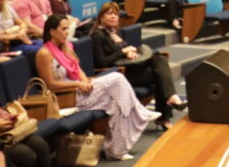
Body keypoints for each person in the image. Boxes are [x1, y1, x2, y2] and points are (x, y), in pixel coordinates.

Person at [36, 13, 155, 159]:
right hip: (65, 98)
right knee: (117, 78)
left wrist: (85, 82)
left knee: (116, 101)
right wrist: (78, 84)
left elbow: (78, 70)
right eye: (63, 29)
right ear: (51, 31)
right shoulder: (44, 53)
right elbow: (50, 84)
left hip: (78, 90)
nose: (67, 32)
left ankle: (116, 151)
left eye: (68, 29)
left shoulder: (66, 47)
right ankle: (140, 112)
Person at [91, 3, 186, 128]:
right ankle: (166, 111)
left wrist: (130, 53)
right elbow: (101, 62)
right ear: (101, 17)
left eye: (115, 14)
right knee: (159, 74)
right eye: (109, 13)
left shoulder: (115, 32)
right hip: (119, 76)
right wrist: (122, 52)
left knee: (159, 59)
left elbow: (121, 53)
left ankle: (169, 104)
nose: (113, 16)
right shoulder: (98, 35)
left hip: (129, 69)